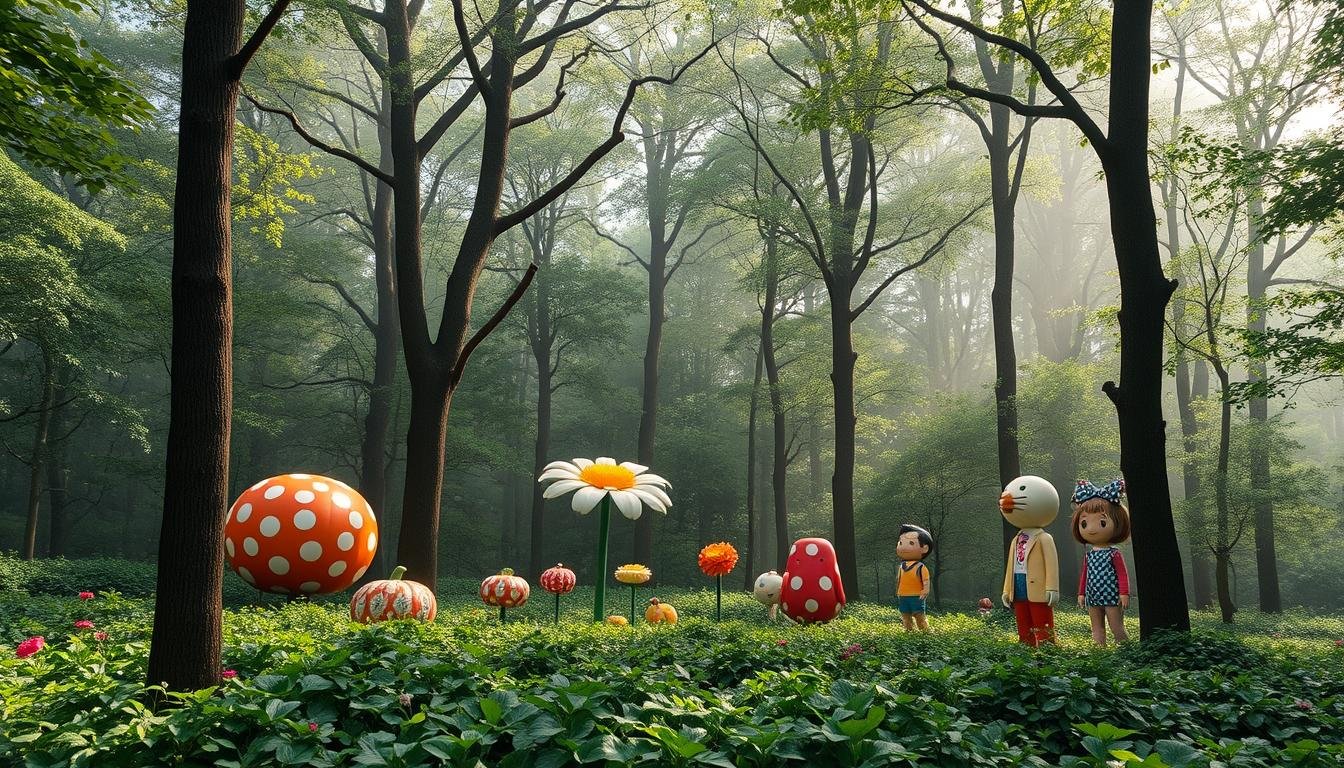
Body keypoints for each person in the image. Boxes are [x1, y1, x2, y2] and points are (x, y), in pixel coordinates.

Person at [999, 475, 1061, 646]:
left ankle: (1047, 648)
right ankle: (1026, 646)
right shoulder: (1016, 539)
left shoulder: (1044, 538)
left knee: (1042, 621)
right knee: (1023, 620)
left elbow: (1052, 565)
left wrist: (1052, 587)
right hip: (1018, 584)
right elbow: (1010, 567)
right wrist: (1007, 590)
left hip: (1038, 587)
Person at [1071, 478, 1132, 646]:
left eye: (1102, 522)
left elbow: (1122, 574)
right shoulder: (1089, 555)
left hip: (1112, 596)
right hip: (1092, 596)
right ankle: (1099, 654)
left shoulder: (1114, 554)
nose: (1091, 528)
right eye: (1084, 523)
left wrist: (1124, 593)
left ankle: (1127, 651)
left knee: (1116, 626)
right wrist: (1081, 593)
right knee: (1096, 628)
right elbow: (1085, 575)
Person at [895, 524, 933, 632]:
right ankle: (909, 632)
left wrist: (925, 590)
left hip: (916, 596)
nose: (903, 547)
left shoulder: (921, 567)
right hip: (903, 596)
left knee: (919, 616)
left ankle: (925, 633)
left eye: (911, 543)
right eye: (901, 543)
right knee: (905, 616)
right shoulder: (902, 567)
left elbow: (926, 580)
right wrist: (898, 591)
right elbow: (899, 580)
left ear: (924, 548)